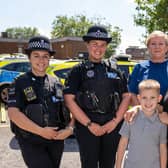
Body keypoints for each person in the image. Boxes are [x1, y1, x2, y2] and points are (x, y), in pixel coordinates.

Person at [63, 25, 131, 168]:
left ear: (106, 46)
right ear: (87, 45)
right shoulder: (78, 71)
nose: (98, 48)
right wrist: (89, 124)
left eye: (102, 45)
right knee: (89, 164)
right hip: (87, 126)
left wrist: (114, 121)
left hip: (112, 126)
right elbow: (69, 100)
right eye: (94, 44)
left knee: (108, 164)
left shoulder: (115, 70)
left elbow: (126, 96)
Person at [8, 36, 74, 168]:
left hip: (56, 140)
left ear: (49, 58)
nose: (41, 60)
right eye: (36, 56)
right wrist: (41, 131)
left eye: (45, 56)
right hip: (31, 141)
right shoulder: (20, 82)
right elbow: (13, 113)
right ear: (29, 58)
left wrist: (70, 129)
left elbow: (70, 108)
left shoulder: (55, 82)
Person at [116, 79, 167, 168]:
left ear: (159, 98)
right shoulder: (131, 117)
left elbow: (163, 148)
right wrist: (118, 166)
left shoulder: (162, 122)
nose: (148, 102)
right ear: (139, 98)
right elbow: (123, 143)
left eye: (152, 98)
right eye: (144, 98)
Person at [125, 30, 168, 123]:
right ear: (148, 47)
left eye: (161, 44)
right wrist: (144, 110)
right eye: (153, 44)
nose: (157, 47)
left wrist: (161, 110)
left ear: (166, 47)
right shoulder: (139, 67)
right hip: (143, 119)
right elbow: (132, 93)